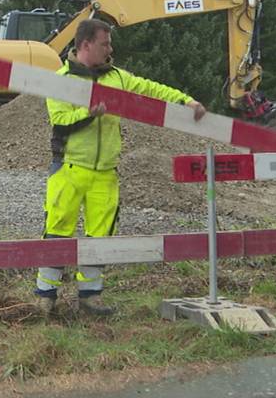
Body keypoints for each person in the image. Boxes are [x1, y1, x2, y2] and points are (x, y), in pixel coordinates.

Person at [36, 19, 205, 316]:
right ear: (86, 44)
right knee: (57, 232)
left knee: (99, 236)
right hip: (69, 168)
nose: (110, 49)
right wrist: (88, 113)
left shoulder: (119, 78)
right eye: (105, 43)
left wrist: (184, 100)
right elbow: (60, 122)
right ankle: (45, 298)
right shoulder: (60, 80)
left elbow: (151, 89)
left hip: (106, 172)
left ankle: (89, 298)